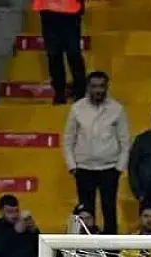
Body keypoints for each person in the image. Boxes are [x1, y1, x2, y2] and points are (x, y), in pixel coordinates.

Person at [64, 72, 130, 235]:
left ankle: (112, 248)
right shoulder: (77, 108)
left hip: (110, 168)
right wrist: (72, 166)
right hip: (83, 168)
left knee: (109, 209)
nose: (98, 90)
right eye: (94, 86)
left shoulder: (117, 109)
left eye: (101, 86)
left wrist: (119, 168)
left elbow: (125, 141)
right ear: (88, 87)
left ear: (107, 87)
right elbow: (68, 139)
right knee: (86, 212)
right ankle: (86, 247)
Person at [35, 0, 86, 104]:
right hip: (48, 12)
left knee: (73, 53)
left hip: (71, 12)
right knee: (54, 54)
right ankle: (59, 93)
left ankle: (80, 91)